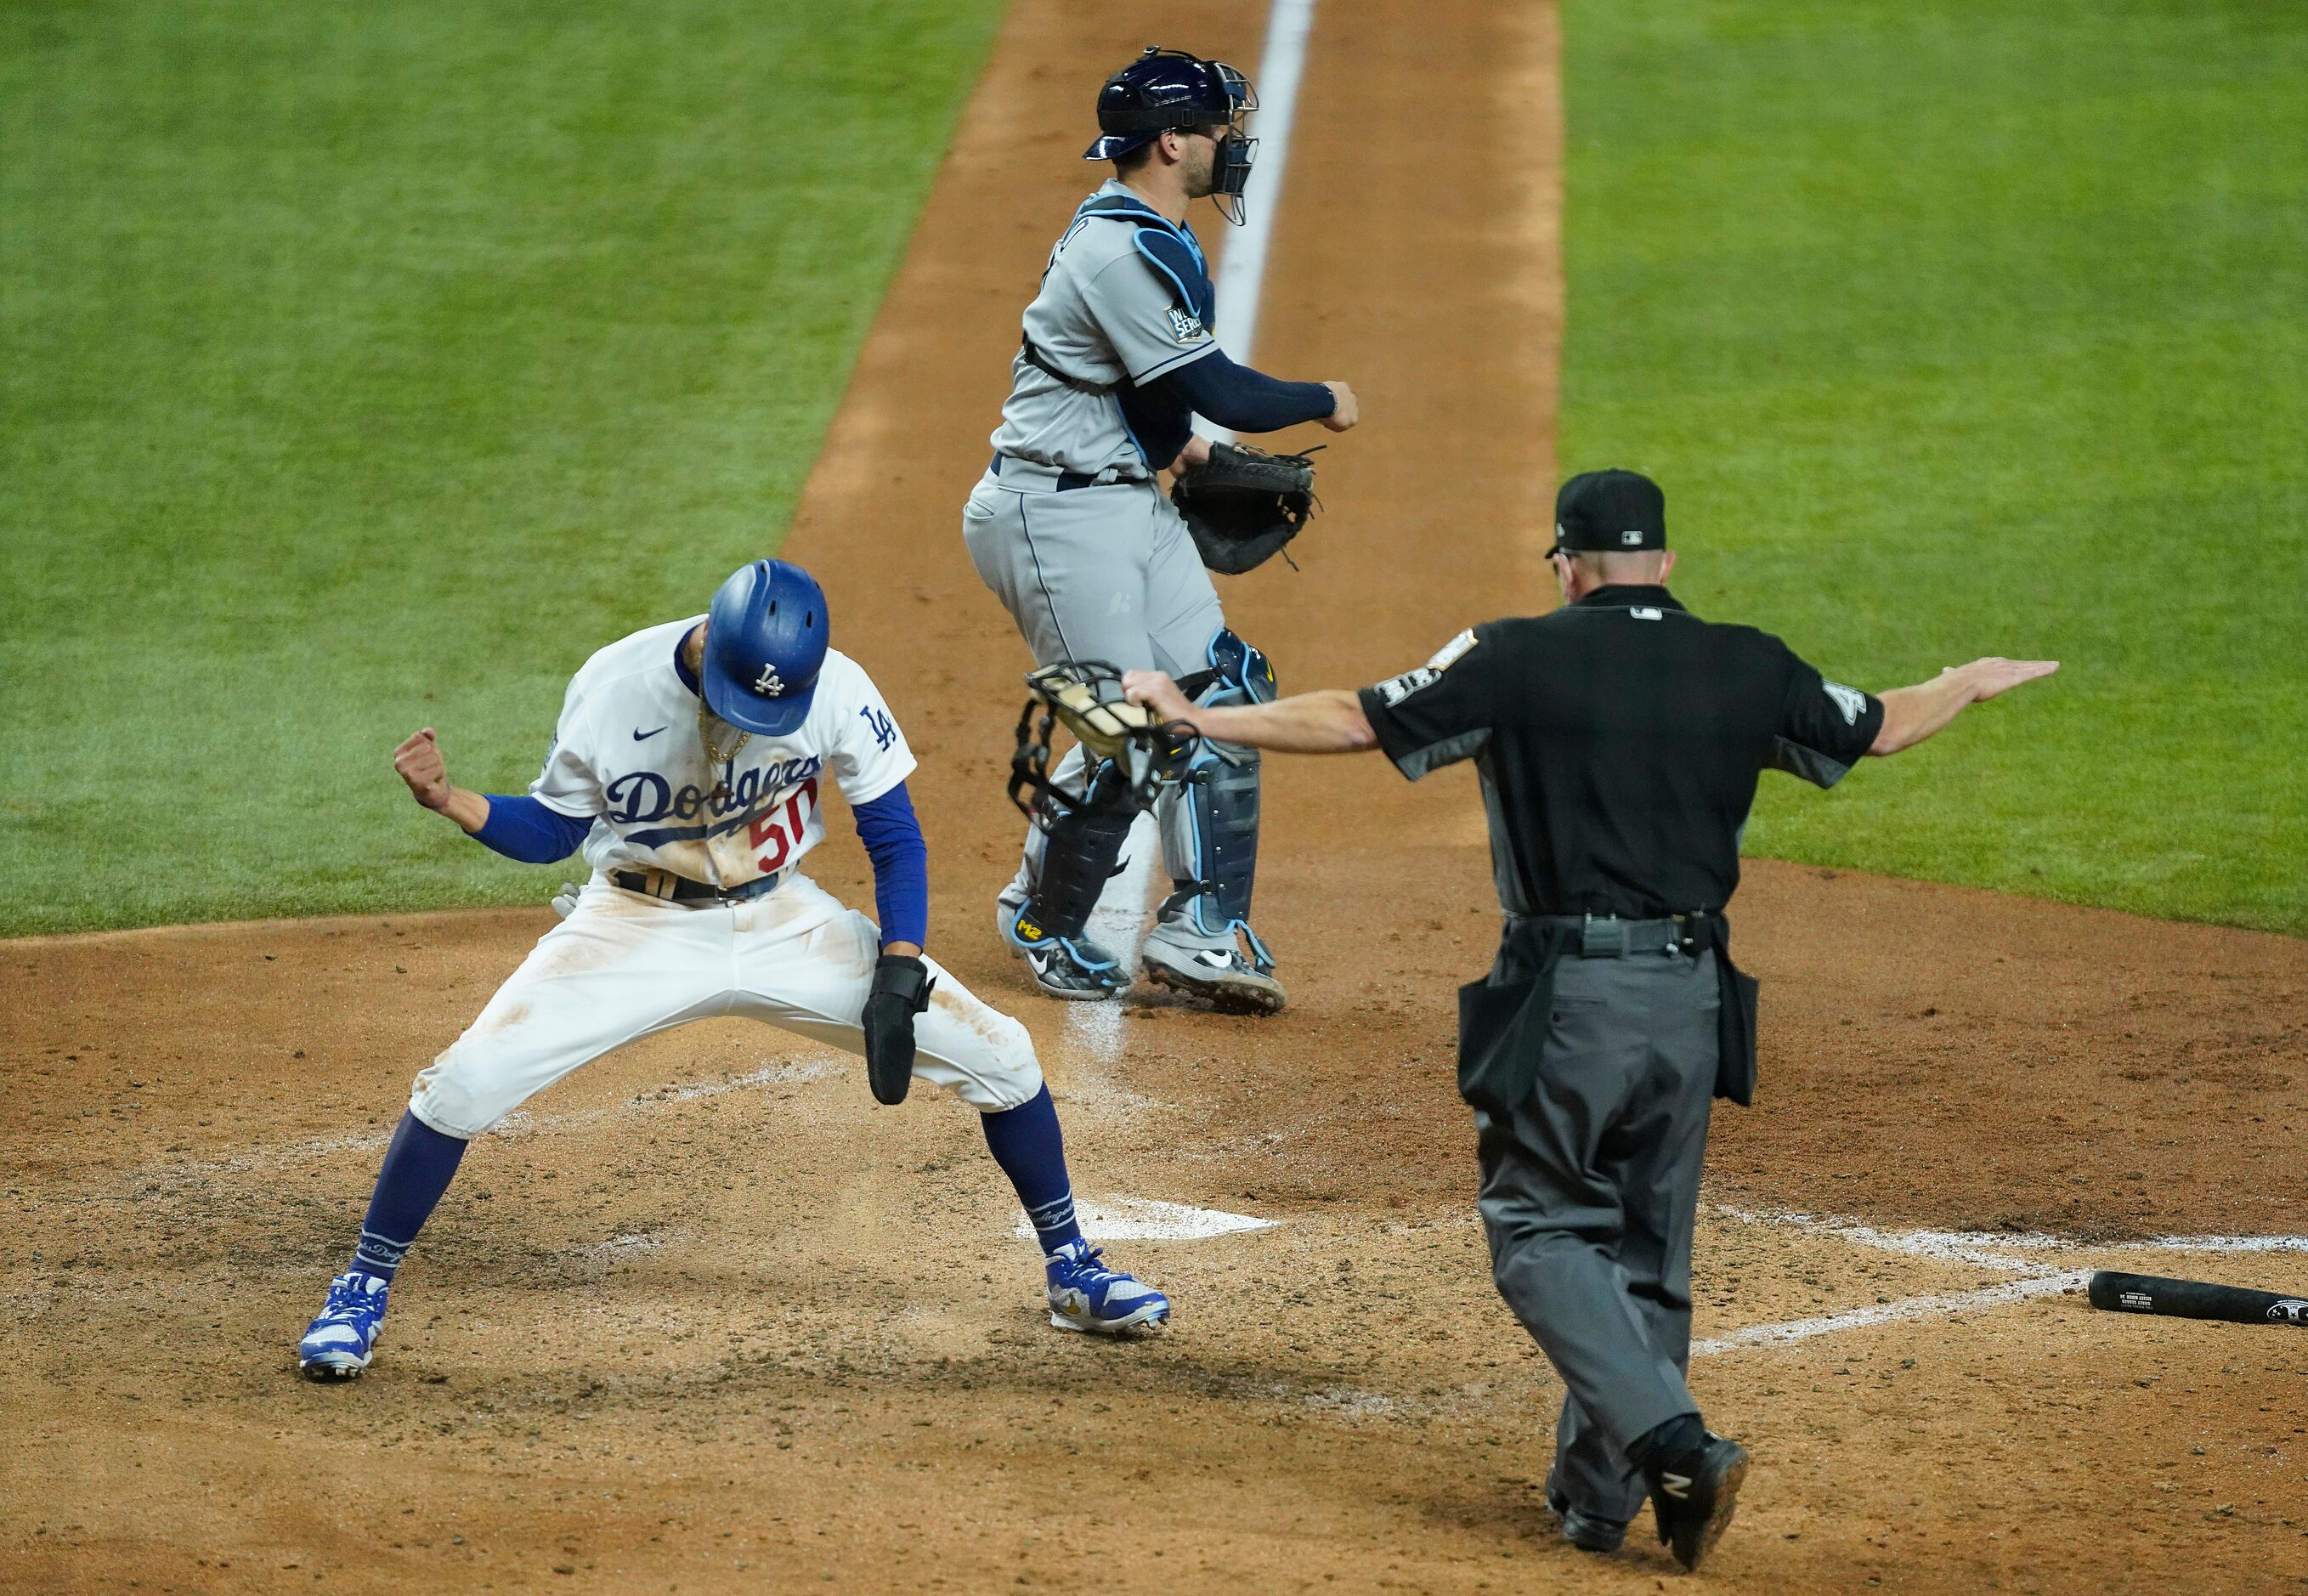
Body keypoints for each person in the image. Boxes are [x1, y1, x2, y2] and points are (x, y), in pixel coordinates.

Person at [1123, 470, 2056, 1571]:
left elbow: (1354, 717)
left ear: (1567, 566)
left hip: (1574, 997)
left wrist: (1196, 713)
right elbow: (1886, 724)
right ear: (1662, 562)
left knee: (1535, 1232)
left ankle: (1675, 1444)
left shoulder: (1514, 654)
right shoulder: (1746, 660)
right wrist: (1970, 679)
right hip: (1697, 998)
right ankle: (1597, 1501)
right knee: (1647, 1252)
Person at [296, 560, 1171, 1382]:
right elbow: (554, 834)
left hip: (786, 918)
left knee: (1007, 1058)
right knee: (462, 1084)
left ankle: (1071, 1272)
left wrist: (900, 964)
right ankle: (362, 1288)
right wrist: (452, 802)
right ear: (710, 642)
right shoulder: (615, 687)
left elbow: (895, 839)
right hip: (635, 923)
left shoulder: (837, 686)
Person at [960, 46, 1360, 1015]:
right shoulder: (1119, 249)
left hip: (1119, 499)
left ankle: (1203, 931)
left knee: (1225, 687)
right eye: (1222, 129)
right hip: (1053, 514)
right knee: (1128, 730)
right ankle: (1044, 919)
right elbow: (1219, 388)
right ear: (1172, 142)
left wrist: (1180, 456)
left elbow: (1150, 397)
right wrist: (1327, 399)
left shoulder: (1153, 230)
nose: (1235, 145)